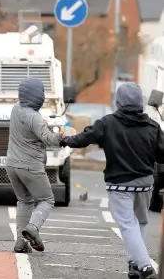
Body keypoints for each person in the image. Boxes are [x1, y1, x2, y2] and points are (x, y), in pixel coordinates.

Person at [61, 83, 164, 279]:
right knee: (140, 222)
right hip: (145, 184)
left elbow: (83, 138)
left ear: (119, 101)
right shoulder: (153, 126)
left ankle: (144, 267)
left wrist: (65, 139)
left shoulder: (108, 123)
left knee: (127, 224)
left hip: (120, 184)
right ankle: (135, 264)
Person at [6, 77, 62, 254]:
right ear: (38, 95)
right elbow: (49, 139)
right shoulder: (34, 117)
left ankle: (21, 242)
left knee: (24, 200)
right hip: (30, 166)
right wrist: (62, 135)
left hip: (12, 165)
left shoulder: (16, 109)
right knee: (46, 200)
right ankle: (33, 227)